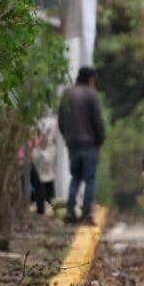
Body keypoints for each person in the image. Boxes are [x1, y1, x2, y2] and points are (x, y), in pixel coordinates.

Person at [58, 66, 106, 225]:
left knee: (75, 178)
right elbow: (97, 121)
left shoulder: (67, 94)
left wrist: (67, 137)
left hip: (73, 144)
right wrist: (100, 140)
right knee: (90, 179)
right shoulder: (91, 95)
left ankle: (70, 212)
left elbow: (61, 120)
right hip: (89, 144)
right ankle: (86, 214)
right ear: (90, 79)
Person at [29, 116, 58, 215]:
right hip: (39, 180)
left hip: (47, 179)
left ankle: (45, 206)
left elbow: (47, 160)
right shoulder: (34, 148)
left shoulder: (51, 148)